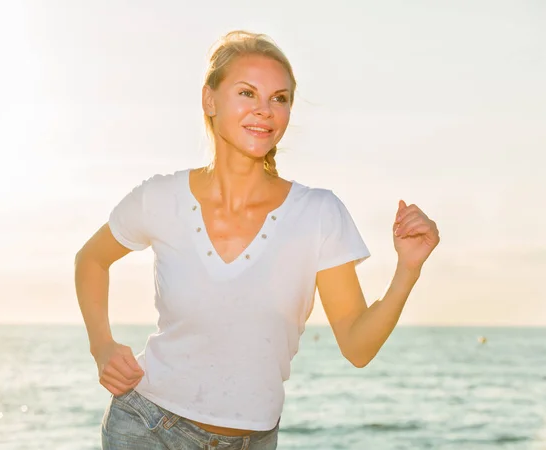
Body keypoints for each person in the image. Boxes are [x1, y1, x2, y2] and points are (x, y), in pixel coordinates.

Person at [74, 30, 440, 450]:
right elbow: (91, 260)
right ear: (210, 101)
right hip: (148, 427)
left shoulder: (318, 213)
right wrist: (101, 345)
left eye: (279, 99)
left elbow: (357, 346)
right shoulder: (160, 198)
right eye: (247, 93)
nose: (265, 111)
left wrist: (407, 270)